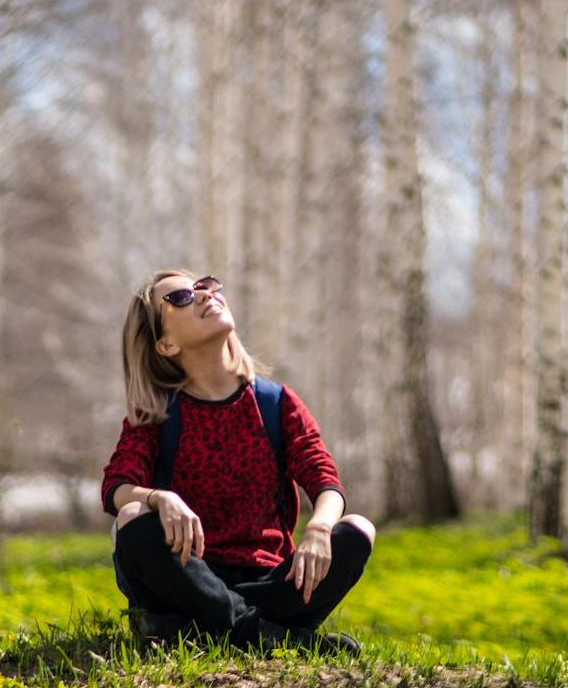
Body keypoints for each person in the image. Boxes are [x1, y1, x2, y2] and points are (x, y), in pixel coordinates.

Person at [101, 268, 375, 654]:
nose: (202, 295)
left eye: (205, 286)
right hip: (190, 577)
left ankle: (201, 630)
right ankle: (270, 637)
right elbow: (116, 487)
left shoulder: (276, 403)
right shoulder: (157, 412)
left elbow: (324, 479)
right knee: (132, 517)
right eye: (179, 298)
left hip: (272, 583)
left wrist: (318, 529)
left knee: (357, 529)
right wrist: (159, 498)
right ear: (165, 345)